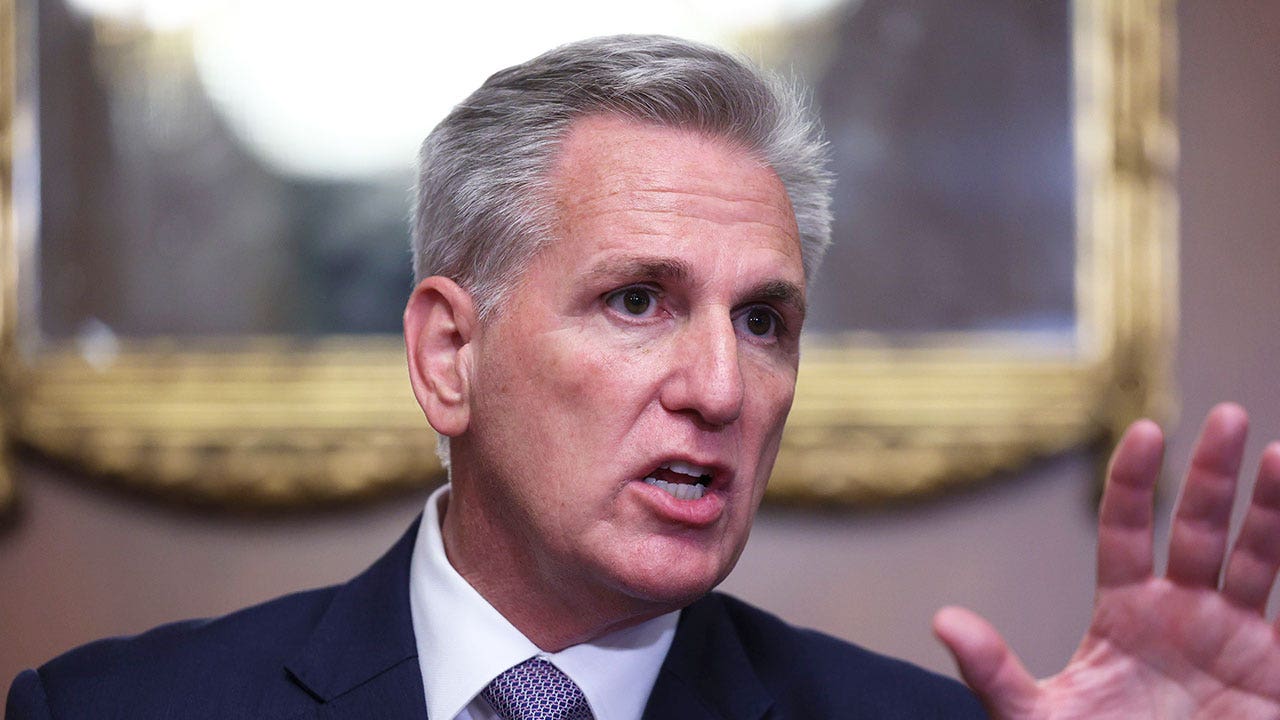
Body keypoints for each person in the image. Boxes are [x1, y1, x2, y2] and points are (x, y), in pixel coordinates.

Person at [7, 34, 1280, 720]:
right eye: (637, 301)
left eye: (764, 321)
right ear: (448, 354)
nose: (719, 389)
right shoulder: (112, 714)